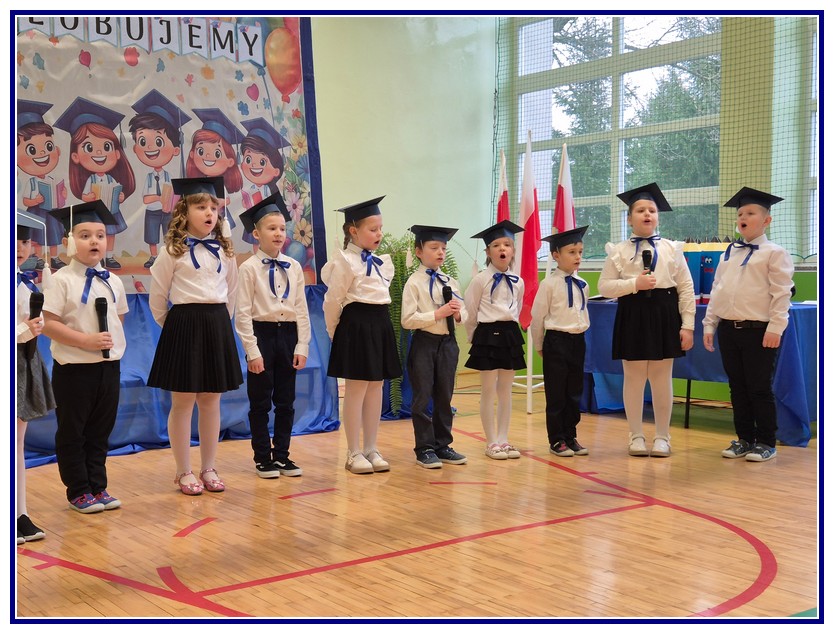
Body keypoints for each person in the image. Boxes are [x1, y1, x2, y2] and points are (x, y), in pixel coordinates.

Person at [147, 177, 242, 495]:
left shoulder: (225, 252)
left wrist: (220, 324)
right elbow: (158, 299)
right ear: (184, 212)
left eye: (213, 208)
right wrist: (177, 329)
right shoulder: (171, 252)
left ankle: (209, 467)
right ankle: (183, 470)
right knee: (183, 401)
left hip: (216, 324)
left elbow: (232, 292)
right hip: (183, 325)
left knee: (211, 400)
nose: (209, 213)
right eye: (201, 207)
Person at [42, 201, 128, 513]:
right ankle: (78, 490)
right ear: (69, 242)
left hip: (108, 367)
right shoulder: (62, 279)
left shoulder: (113, 280)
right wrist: (85, 341)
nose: (94, 241)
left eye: (100, 236)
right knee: (73, 431)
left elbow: (120, 317)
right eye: (85, 235)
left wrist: (108, 346)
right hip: (75, 368)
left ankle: (98, 486)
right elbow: (48, 323)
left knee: (100, 429)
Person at [598, 183, 695, 458]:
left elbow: (685, 288)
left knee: (662, 378)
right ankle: (636, 435)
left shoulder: (672, 249)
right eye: (640, 210)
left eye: (652, 210)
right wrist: (634, 284)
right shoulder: (618, 251)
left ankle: (663, 436)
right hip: (633, 313)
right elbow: (605, 287)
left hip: (665, 313)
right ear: (630, 218)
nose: (647, 214)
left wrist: (687, 325)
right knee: (634, 377)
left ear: (658, 217)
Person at [703, 187, 794, 462]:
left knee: (759, 388)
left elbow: (782, 293)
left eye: (751, 213)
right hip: (729, 331)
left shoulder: (774, 253)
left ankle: (766, 441)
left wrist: (776, 327)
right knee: (737, 387)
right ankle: (744, 438)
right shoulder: (729, 252)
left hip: (759, 332)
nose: (743, 217)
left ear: (767, 220)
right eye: (741, 213)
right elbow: (717, 289)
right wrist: (710, 324)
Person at [322, 196, 401, 474]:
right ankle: (353, 451)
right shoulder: (345, 261)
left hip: (379, 323)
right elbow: (333, 301)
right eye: (373, 229)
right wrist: (334, 331)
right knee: (356, 389)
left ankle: (371, 447)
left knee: (376, 386)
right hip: (355, 325)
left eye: (380, 228)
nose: (379, 234)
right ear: (353, 231)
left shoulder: (382, 262)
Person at [236, 193, 310, 478]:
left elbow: (301, 309)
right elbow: (243, 314)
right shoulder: (248, 268)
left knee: (286, 401)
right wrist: (252, 351)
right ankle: (262, 457)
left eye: (282, 228)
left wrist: (302, 345)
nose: (279, 233)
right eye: (271, 228)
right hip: (262, 335)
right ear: (256, 234)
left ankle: (282, 455)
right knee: (260, 402)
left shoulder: (294, 266)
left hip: (288, 335)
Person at [401, 224, 468, 468]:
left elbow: (464, 313)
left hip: (448, 344)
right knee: (422, 397)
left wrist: (458, 314)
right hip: (424, 343)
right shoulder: (414, 283)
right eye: (434, 247)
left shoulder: (450, 281)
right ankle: (425, 448)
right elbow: (407, 320)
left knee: (444, 395)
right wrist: (437, 314)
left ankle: (443, 445)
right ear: (419, 251)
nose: (440, 252)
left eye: (443, 248)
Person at [463, 219, 526, 460]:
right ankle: (491, 442)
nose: (502, 249)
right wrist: (474, 338)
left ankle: (503, 438)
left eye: (507, 245)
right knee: (488, 390)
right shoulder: (480, 280)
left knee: (506, 390)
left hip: (510, 334)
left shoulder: (518, 281)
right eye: (496, 245)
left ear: (513, 250)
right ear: (488, 252)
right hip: (487, 335)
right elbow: (470, 311)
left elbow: (517, 307)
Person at [530, 226, 591, 457]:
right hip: (556, 341)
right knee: (556, 392)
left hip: (578, 341)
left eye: (580, 252)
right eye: (572, 252)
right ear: (556, 255)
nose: (577, 257)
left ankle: (570, 435)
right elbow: (538, 317)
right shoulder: (548, 285)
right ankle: (556, 439)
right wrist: (539, 344)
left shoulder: (583, 284)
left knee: (574, 391)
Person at [55, 97, 136, 270]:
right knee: (96, 233)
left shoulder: (111, 178)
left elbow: (117, 190)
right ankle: (97, 257)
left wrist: (120, 196)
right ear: (75, 156)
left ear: (117, 154)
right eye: (89, 147)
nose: (99, 152)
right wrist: (88, 196)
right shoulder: (90, 180)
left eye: (106, 147)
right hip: (96, 214)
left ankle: (109, 256)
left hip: (112, 210)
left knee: (110, 234)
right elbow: (85, 195)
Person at [16, 211, 57, 540]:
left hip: (24, 362)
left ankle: (20, 513)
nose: (20, 247)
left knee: (17, 443)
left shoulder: (25, 282)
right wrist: (22, 330)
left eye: (25, 241)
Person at [129, 89, 191, 268]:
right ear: (136, 148)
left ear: (176, 149)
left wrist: (171, 201)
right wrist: (158, 198)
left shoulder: (169, 177)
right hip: (152, 210)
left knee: (167, 233)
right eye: (143, 142)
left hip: (166, 211)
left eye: (158, 141)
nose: (150, 148)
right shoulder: (149, 178)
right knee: (151, 235)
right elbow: (146, 198)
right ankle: (153, 256)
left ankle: (167, 254)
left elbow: (174, 195)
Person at [17, 99, 66, 270]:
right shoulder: (31, 182)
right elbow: (26, 201)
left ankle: (54, 258)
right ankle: (38, 258)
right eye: (32, 149)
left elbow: (60, 198)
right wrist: (35, 200)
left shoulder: (52, 179)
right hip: (36, 212)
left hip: (52, 213)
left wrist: (62, 195)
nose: (43, 153)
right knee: (37, 237)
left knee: (53, 237)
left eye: (48, 146)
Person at [239, 118, 290, 251]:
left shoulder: (270, 190)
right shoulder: (251, 188)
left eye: (262, 161)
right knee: (255, 244)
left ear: (276, 170)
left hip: (267, 218)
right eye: (248, 159)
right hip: (255, 219)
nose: (254, 165)